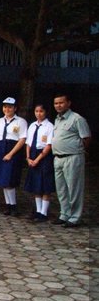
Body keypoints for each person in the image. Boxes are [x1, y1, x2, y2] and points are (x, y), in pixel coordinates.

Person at [51, 94, 91, 228]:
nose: (58, 105)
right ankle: (64, 214)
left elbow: (86, 138)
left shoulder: (77, 119)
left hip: (72, 158)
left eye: (61, 103)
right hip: (58, 158)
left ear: (68, 103)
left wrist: (78, 151)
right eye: (56, 103)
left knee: (74, 188)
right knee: (61, 189)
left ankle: (75, 217)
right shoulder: (57, 119)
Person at [0, 97, 27, 216]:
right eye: (5, 107)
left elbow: (22, 139)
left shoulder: (21, 121)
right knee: (3, 180)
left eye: (10, 107)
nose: (7, 109)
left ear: (15, 108)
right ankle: (8, 205)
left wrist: (10, 153)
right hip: (1, 149)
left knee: (10, 180)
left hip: (13, 150)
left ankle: (13, 205)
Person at [23, 104, 55, 223]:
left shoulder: (50, 126)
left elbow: (48, 145)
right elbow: (28, 143)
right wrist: (28, 157)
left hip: (44, 157)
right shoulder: (32, 125)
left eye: (41, 111)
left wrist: (38, 159)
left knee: (45, 185)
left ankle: (44, 213)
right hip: (32, 154)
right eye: (36, 111)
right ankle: (38, 210)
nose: (38, 113)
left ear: (46, 112)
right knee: (36, 185)